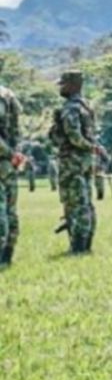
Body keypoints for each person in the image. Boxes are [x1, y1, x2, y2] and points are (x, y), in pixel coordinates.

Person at [49, 71, 97, 254]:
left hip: (72, 160)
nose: (61, 88)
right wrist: (92, 148)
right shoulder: (86, 106)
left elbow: (74, 136)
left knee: (75, 203)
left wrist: (89, 146)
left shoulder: (70, 108)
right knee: (85, 201)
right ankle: (86, 242)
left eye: (63, 84)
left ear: (74, 85)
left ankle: (78, 244)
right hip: (85, 160)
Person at [0, 83, 24, 266]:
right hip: (10, 162)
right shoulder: (9, 95)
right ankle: (8, 253)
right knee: (10, 209)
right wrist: (16, 153)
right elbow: (17, 131)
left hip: (5, 156)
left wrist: (10, 153)